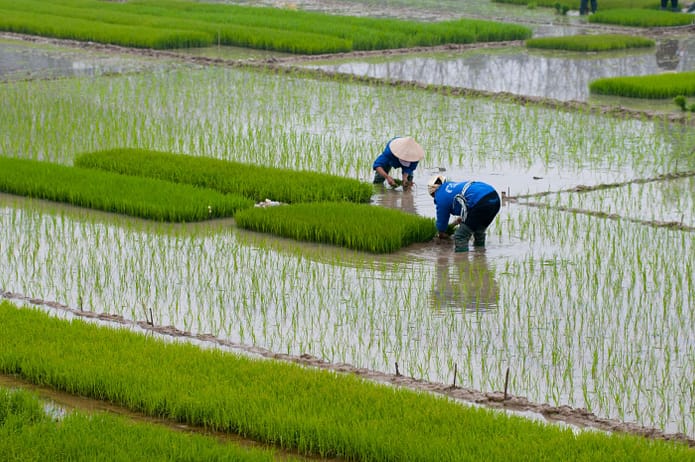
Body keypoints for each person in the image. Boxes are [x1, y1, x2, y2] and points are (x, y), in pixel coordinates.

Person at [428, 175, 501, 253]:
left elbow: (442, 222)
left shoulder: (440, 196)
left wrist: (441, 233)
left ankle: (462, 262)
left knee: (460, 236)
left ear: (433, 193)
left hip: (481, 201)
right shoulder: (451, 187)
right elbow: (466, 204)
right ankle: (480, 257)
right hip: (495, 199)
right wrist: (456, 222)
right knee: (478, 230)